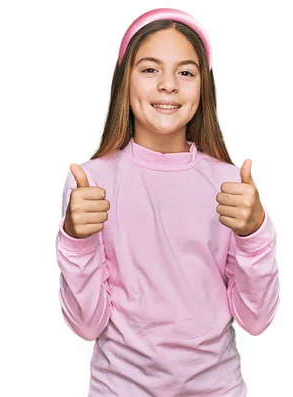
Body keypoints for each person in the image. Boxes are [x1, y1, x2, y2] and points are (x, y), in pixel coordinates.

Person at [55, 8, 280, 397]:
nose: (168, 85)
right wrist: (76, 239)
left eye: (186, 72)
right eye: (150, 70)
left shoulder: (228, 184)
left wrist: (254, 233)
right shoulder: (91, 184)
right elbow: (86, 324)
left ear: (203, 88)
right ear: (124, 81)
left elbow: (256, 319)